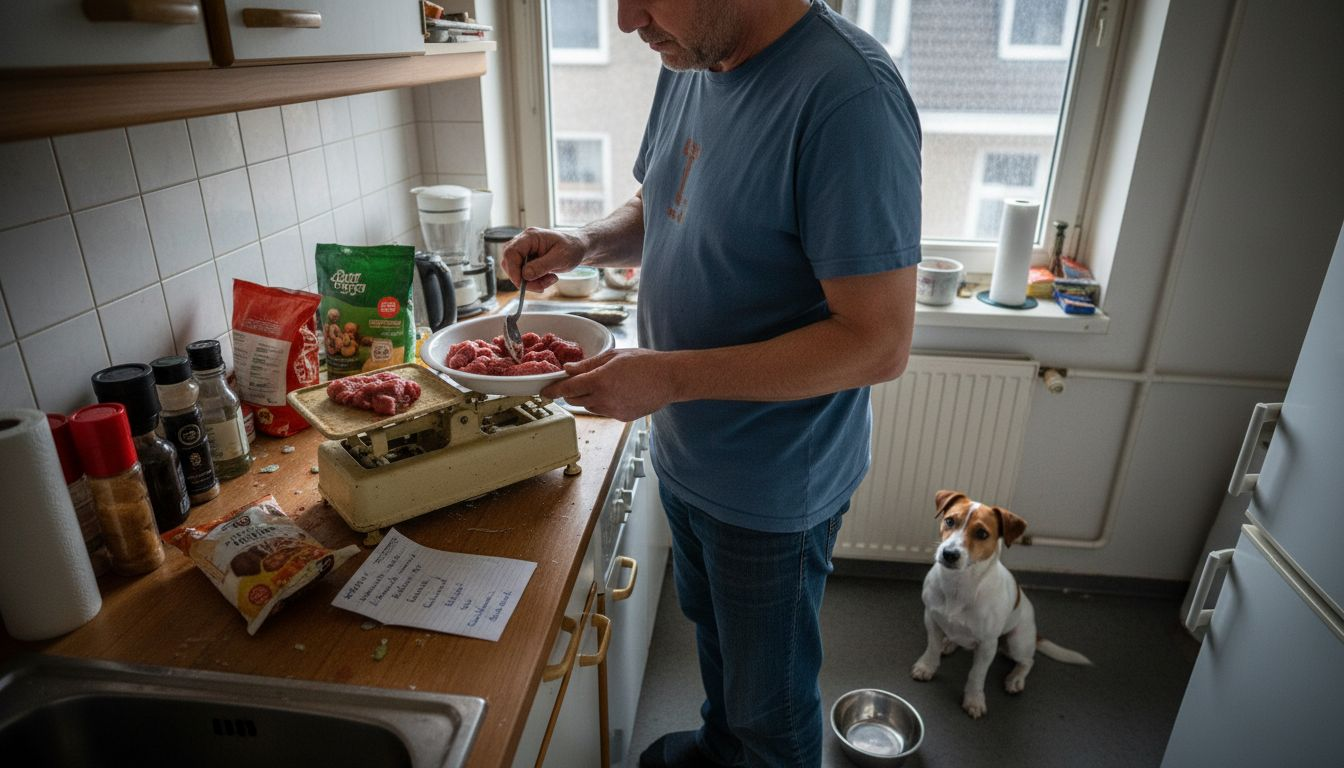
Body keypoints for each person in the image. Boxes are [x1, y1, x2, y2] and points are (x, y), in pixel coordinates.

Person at [503, 1, 921, 765]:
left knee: (771, 706)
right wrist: (583, 243)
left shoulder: (848, 97)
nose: (629, 20)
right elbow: (664, 199)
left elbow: (878, 343)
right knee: (719, 652)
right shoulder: (690, 56)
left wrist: (669, 377)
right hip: (689, 451)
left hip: (772, 487)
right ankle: (718, 748)